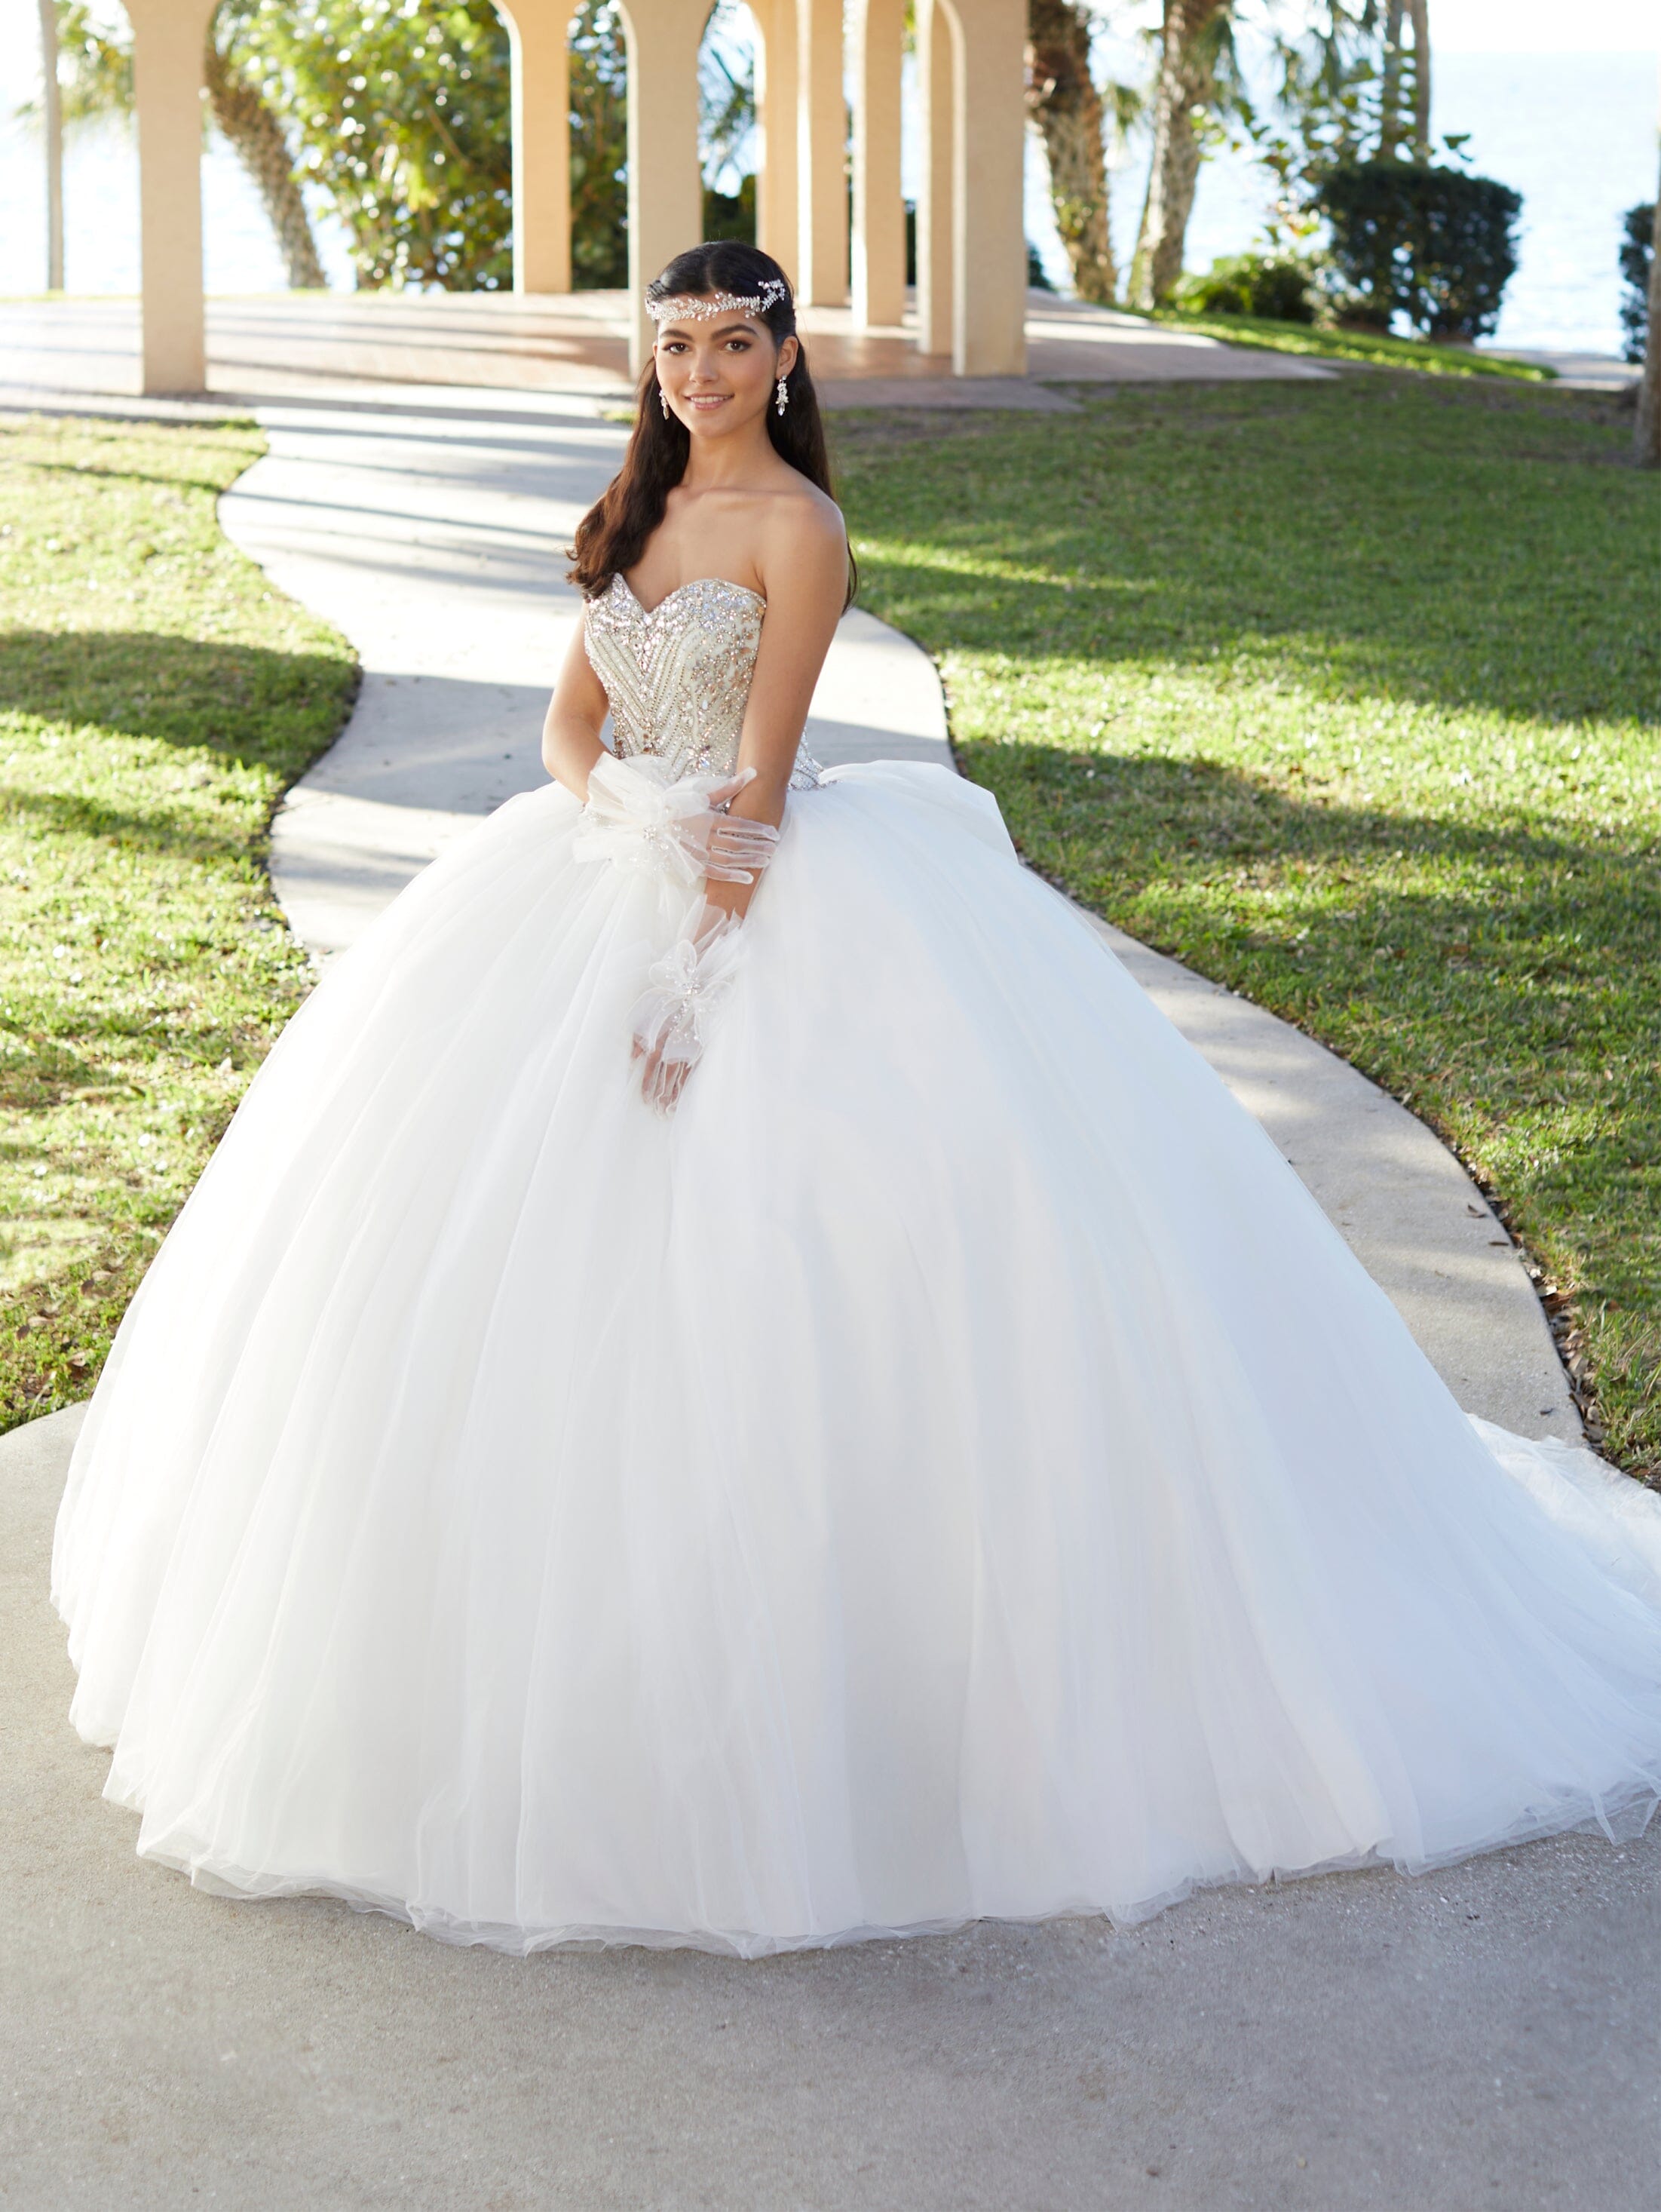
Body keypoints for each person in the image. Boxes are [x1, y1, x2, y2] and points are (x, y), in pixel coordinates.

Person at [52, 243, 1661, 1960]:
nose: (697, 372)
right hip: (595, 872)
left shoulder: (797, 535)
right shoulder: (634, 517)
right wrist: (626, 823)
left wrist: (689, 987)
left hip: (755, 899)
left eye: (730, 344)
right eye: (672, 345)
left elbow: (765, 777)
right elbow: (563, 734)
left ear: (784, 357)